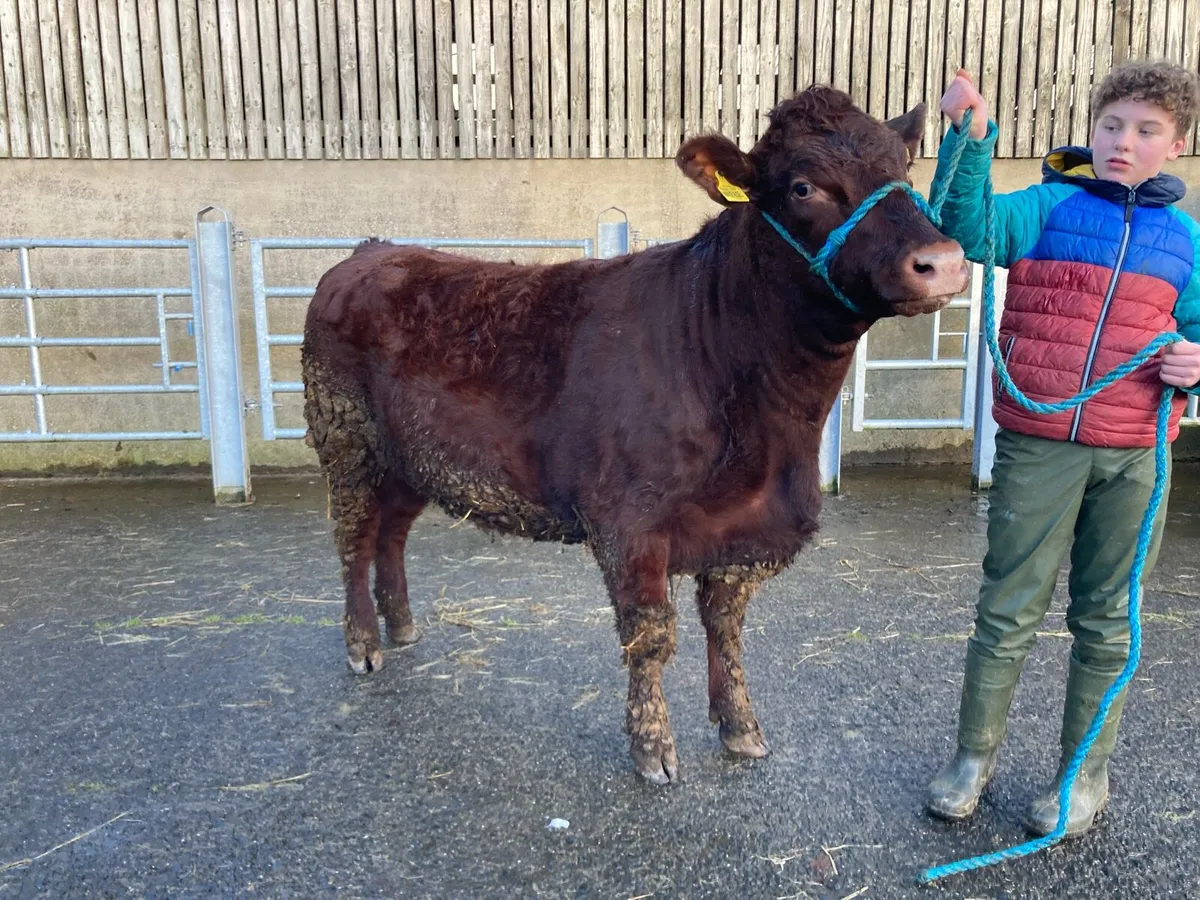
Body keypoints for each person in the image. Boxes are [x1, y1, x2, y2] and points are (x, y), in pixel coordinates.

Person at [925, 60, 1200, 836]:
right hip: (1041, 444)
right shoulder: (1048, 208)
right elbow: (963, 226)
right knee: (1008, 607)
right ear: (1091, 130)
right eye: (1112, 124)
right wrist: (970, 137)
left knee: (1109, 619)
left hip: (1137, 453)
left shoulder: (1185, 243)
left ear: (1174, 145)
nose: (1124, 142)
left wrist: (1193, 367)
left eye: (1146, 131)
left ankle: (1084, 777)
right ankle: (972, 759)